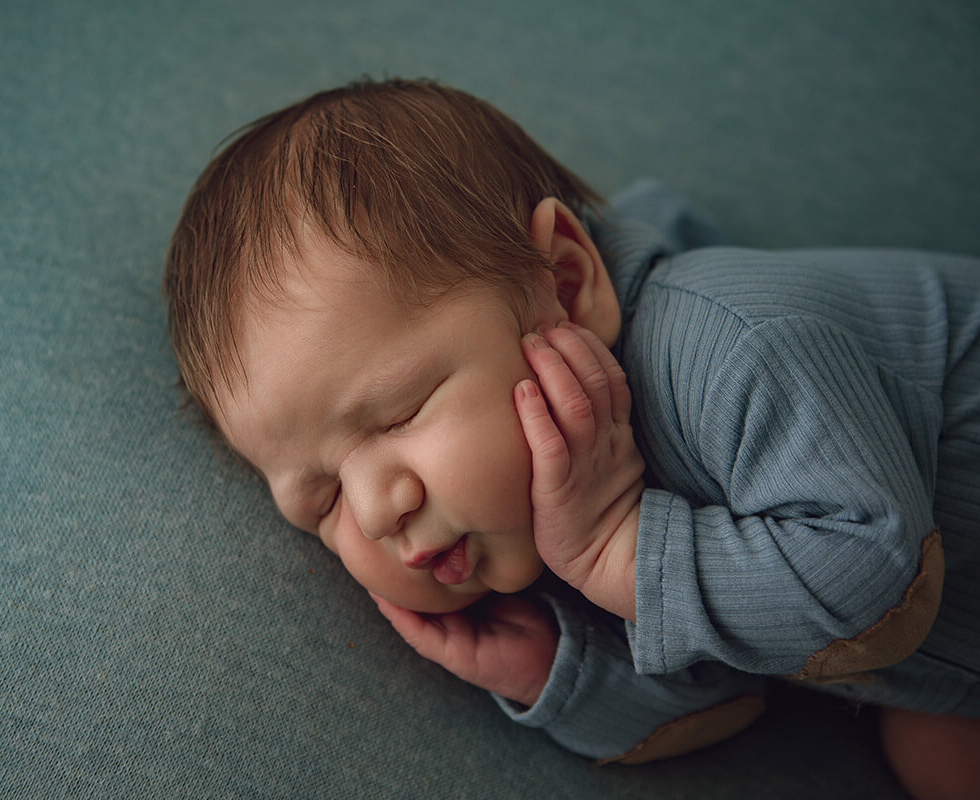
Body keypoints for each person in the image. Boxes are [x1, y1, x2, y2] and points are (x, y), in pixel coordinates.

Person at [163, 77, 980, 798]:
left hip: (913, 572)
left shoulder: (731, 346)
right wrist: (557, 669)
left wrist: (622, 552)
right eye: (322, 500)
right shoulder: (535, 506)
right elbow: (730, 699)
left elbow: (882, 586)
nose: (376, 511)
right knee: (932, 752)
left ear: (563, 284)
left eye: (397, 414)